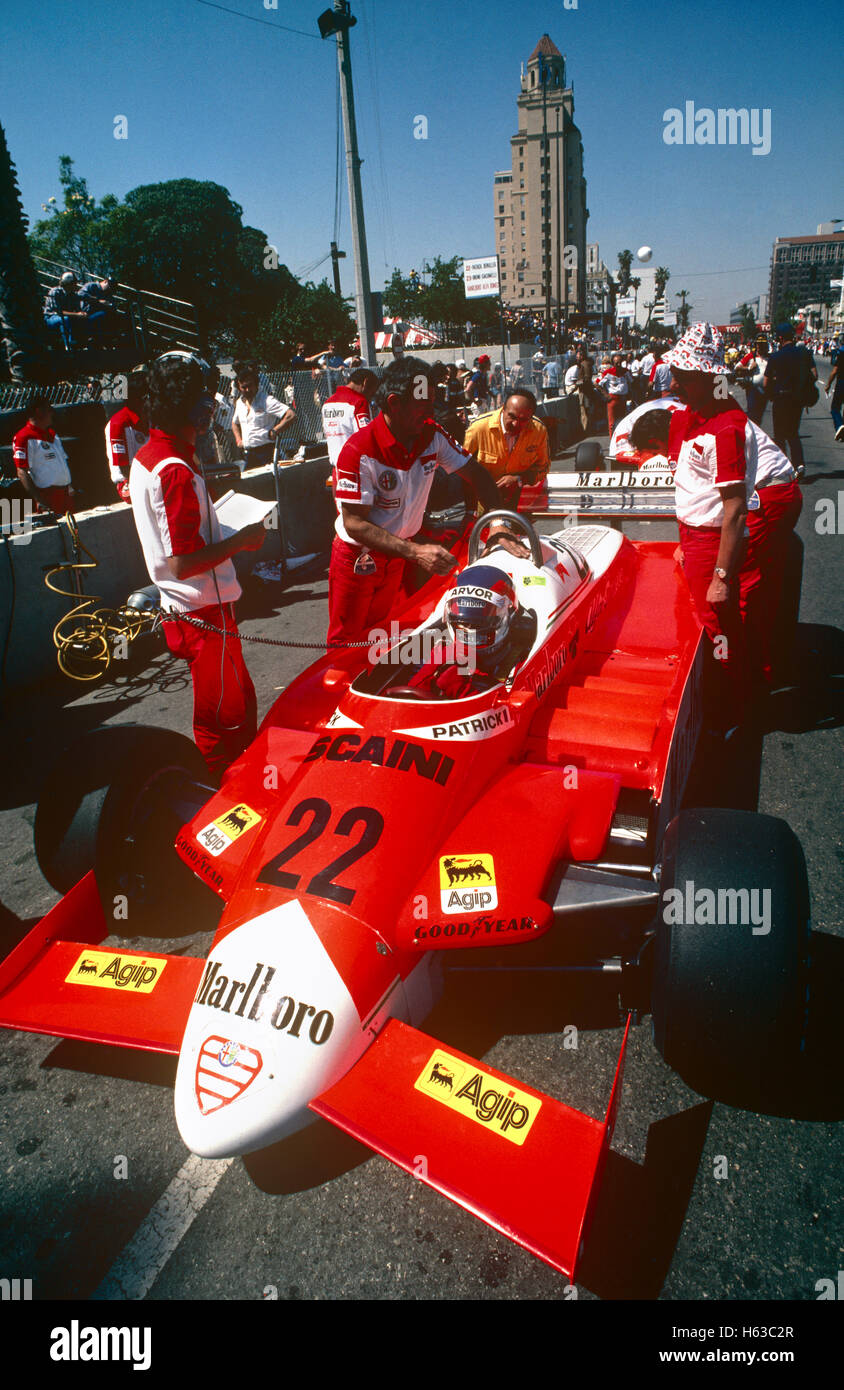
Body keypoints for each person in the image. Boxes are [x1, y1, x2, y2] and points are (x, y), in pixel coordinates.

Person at [129, 354, 265, 779]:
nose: (211, 404)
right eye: (204, 396)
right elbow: (182, 562)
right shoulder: (173, 469)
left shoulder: (156, 453)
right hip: (201, 613)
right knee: (223, 722)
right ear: (188, 405)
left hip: (200, 612)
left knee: (241, 703)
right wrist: (240, 541)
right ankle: (225, 800)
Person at [328, 356, 522, 647]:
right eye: (424, 404)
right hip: (359, 558)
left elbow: (478, 476)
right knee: (346, 644)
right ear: (394, 403)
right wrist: (415, 551)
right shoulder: (358, 450)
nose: (432, 411)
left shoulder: (432, 434)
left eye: (433, 401)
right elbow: (354, 523)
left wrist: (497, 523)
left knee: (380, 635)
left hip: (398, 554)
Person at [631, 401, 801, 687]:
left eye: (656, 451)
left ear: (657, 439)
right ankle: (749, 667)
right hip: (764, 493)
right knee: (747, 592)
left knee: (747, 593)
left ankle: (753, 678)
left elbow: (727, 504)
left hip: (767, 495)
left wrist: (719, 574)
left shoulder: (705, 433)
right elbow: (698, 493)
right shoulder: (691, 427)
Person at [662, 323, 758, 727]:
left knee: (715, 623)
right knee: (699, 621)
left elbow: (735, 508)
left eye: (684, 376)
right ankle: (719, 697)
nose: (676, 382)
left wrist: (721, 573)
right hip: (693, 534)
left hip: (712, 539)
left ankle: (730, 706)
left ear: (706, 376)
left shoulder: (727, 426)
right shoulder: (690, 415)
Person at [404, 563, 536, 698]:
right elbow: (409, 697)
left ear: (509, 616)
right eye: (463, 623)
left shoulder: (518, 654)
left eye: (479, 625)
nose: (469, 632)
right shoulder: (438, 652)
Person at [463, 388, 550, 506]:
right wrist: (470, 509)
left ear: (531, 417)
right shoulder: (479, 428)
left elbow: (543, 467)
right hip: (484, 500)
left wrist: (519, 479)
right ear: (503, 408)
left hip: (521, 498)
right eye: (512, 416)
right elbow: (462, 468)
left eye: (523, 419)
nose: (515, 424)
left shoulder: (539, 430)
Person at [763, 324, 818, 478]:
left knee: (779, 435)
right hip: (797, 399)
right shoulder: (805, 354)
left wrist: (771, 395)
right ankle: (799, 465)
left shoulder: (775, 356)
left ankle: (784, 467)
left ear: (780, 338)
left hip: (780, 399)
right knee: (793, 432)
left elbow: (766, 383)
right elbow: (815, 375)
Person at [13, 396, 74, 514]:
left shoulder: (52, 434)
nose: (52, 412)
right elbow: (21, 472)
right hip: (47, 496)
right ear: (39, 412)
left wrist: (70, 486)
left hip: (66, 494)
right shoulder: (23, 437)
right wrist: (39, 500)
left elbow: (63, 463)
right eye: (49, 408)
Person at [231, 359, 296, 468]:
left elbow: (290, 415)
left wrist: (275, 431)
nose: (247, 390)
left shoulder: (266, 401)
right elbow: (234, 423)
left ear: (256, 385)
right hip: (247, 454)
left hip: (265, 452)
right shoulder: (239, 403)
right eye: (243, 387)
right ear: (239, 388)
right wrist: (238, 440)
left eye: (250, 386)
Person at [105, 368, 149, 502]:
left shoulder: (149, 418)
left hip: (149, 476)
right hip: (128, 481)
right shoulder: (118, 424)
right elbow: (123, 467)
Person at [322, 366, 379, 467]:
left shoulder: (327, 403)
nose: (370, 398)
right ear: (365, 383)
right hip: (356, 468)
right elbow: (366, 438)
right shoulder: (359, 402)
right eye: (372, 393)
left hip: (336, 469)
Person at [43, 272, 89, 351]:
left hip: (67, 318)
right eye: (74, 283)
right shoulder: (55, 292)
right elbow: (58, 312)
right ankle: (68, 345)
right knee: (65, 319)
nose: (76, 285)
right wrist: (77, 314)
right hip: (51, 318)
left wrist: (82, 314)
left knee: (83, 320)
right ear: (68, 284)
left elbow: (77, 309)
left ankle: (83, 344)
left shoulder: (73, 295)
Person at [735, 336, 770, 425]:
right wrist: (749, 368)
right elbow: (737, 367)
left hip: (765, 390)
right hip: (753, 389)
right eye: (759, 344)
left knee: (760, 414)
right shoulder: (751, 356)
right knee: (752, 414)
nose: (760, 346)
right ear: (756, 345)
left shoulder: (770, 357)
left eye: (762, 344)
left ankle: (757, 434)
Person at [596, 354, 629, 435]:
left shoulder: (626, 371)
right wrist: (606, 395)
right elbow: (597, 384)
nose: (618, 365)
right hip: (612, 399)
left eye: (620, 363)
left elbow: (632, 382)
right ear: (613, 363)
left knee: (623, 421)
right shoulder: (608, 373)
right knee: (612, 423)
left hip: (623, 399)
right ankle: (612, 441)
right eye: (616, 363)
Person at [824, 334, 844, 441]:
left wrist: (828, 385)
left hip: (842, 382)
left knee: (835, 407)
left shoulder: (841, 353)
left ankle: (839, 425)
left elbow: (834, 371)